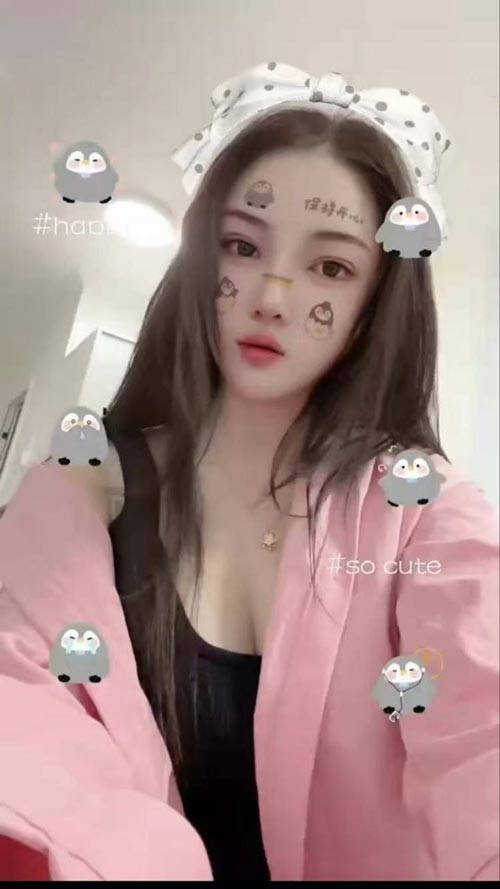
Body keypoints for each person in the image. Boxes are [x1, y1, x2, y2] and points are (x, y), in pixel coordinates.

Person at [0, 62, 498, 882]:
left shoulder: (423, 511)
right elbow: (23, 721)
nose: (272, 294)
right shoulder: (86, 484)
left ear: (374, 306)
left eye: (331, 267)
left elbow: (483, 722)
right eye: (242, 245)